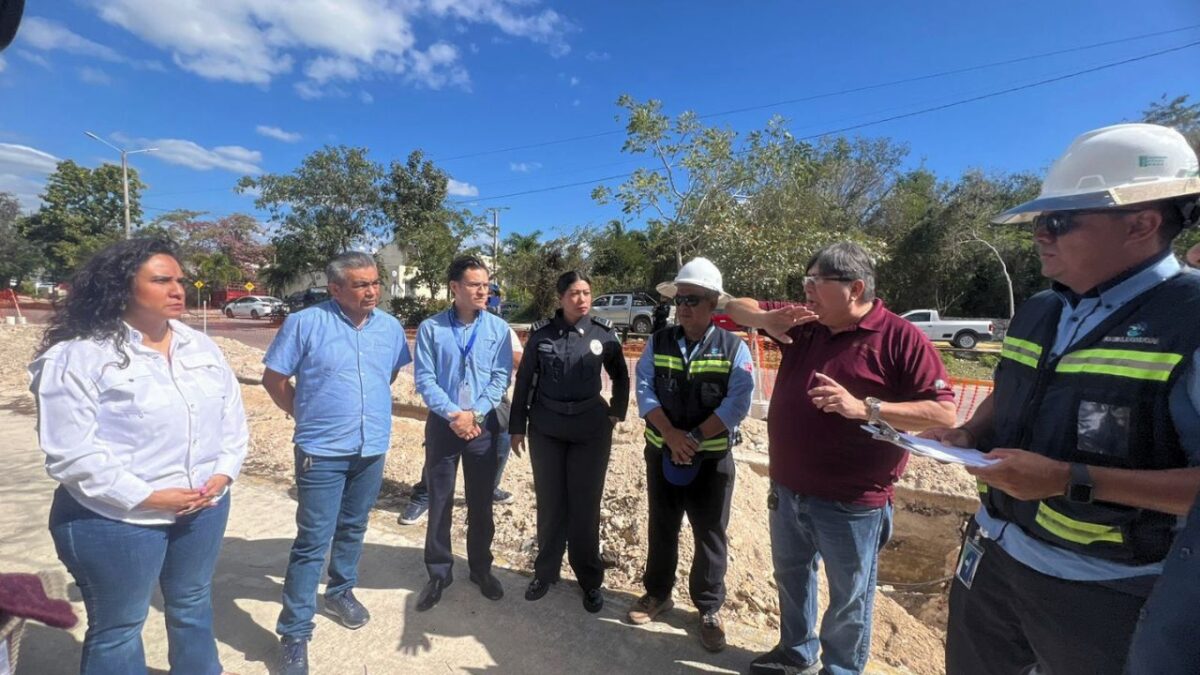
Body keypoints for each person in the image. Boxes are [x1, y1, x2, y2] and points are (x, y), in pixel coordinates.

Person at [918, 123, 1200, 675]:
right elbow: (1012, 394)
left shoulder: (1189, 322)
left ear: (1142, 223)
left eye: (1059, 221)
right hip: (994, 554)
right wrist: (970, 434)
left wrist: (1071, 478)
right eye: (1038, 223)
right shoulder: (1040, 310)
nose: (1040, 235)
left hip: (1105, 591)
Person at [726, 242, 956, 675]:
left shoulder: (901, 339)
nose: (806, 290)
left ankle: (842, 670)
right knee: (793, 578)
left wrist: (864, 408)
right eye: (805, 281)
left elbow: (942, 412)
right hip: (788, 489)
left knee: (850, 597)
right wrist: (762, 319)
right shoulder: (804, 322)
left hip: (852, 503)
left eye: (816, 282)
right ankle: (796, 652)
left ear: (854, 288)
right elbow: (734, 306)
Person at [30, 237, 249, 675]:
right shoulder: (79, 357)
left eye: (179, 280)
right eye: (161, 280)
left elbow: (232, 420)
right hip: (114, 520)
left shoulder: (200, 347)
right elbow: (71, 453)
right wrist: (149, 497)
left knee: (191, 601)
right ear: (121, 286)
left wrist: (224, 474)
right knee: (121, 626)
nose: (177, 290)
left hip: (203, 508)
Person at [262, 252, 411, 675]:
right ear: (335, 289)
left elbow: (390, 374)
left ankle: (340, 590)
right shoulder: (305, 324)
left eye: (375, 283)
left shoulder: (389, 327)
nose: (372, 291)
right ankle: (294, 631)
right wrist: (303, 413)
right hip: (321, 451)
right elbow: (274, 379)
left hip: (371, 447)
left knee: (354, 525)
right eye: (361, 284)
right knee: (312, 540)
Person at [626, 258, 754, 652]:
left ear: (714, 303)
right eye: (679, 299)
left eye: (693, 299)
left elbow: (737, 404)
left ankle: (710, 609)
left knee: (710, 534)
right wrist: (670, 434)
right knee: (662, 526)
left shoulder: (735, 348)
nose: (683, 307)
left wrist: (694, 437)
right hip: (662, 453)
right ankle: (658, 593)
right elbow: (644, 388)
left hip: (711, 461)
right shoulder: (658, 341)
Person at [508, 271, 630, 612]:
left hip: (590, 431)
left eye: (587, 292)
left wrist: (616, 412)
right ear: (561, 298)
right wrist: (517, 425)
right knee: (550, 505)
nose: (582, 299)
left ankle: (590, 581)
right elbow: (524, 381)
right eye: (575, 293)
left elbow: (621, 375)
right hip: (546, 428)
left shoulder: (603, 334)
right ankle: (545, 573)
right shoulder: (541, 334)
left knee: (585, 508)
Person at [412, 255, 513, 611]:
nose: (483, 291)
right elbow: (424, 379)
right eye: (474, 284)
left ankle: (481, 569)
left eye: (486, 284)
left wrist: (476, 414)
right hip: (444, 424)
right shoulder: (431, 328)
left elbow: (501, 377)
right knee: (439, 500)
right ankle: (439, 572)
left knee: (481, 502)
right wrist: (455, 414)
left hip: (483, 425)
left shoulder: (498, 330)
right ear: (455, 288)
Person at [399, 325, 522, 524]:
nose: (483, 294)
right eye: (478, 291)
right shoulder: (440, 327)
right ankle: (425, 494)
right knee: (439, 450)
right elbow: (427, 376)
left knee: (501, 440)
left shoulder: (500, 329)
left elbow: (516, 361)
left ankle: (489, 489)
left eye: (490, 294)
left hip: (489, 402)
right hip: (452, 403)